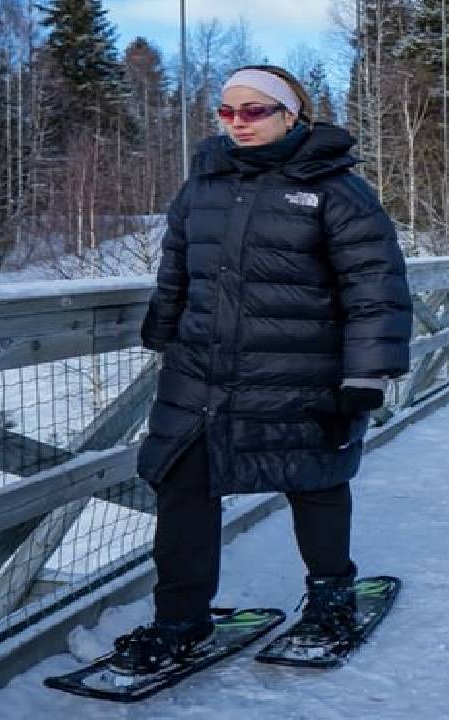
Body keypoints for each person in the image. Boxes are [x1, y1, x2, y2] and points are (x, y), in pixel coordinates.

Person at [114, 65, 413, 674]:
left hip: (300, 370)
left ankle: (331, 599)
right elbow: (177, 269)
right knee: (181, 485)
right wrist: (162, 330)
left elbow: (374, 286)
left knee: (315, 480)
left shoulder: (336, 189)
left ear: (290, 114)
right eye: (227, 111)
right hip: (201, 375)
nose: (237, 123)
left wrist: (367, 372)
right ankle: (180, 620)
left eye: (253, 111)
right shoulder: (203, 184)